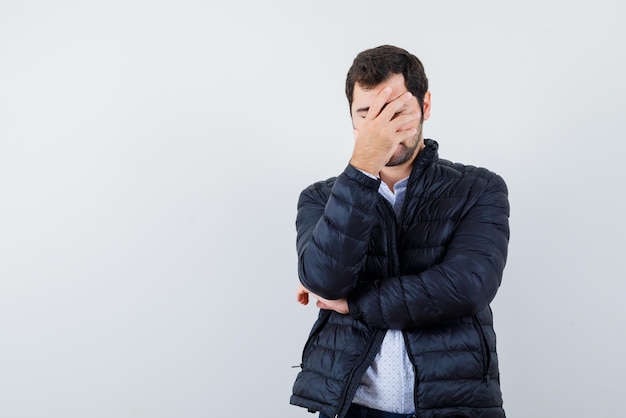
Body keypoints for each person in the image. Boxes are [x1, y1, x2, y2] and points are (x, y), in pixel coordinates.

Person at [289, 44, 510, 418]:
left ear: (425, 106)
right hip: (353, 407)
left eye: (396, 112)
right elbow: (326, 282)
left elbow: (466, 286)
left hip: (454, 404)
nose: (383, 128)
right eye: (367, 114)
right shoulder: (321, 198)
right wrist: (362, 168)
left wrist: (355, 303)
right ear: (353, 120)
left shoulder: (478, 188)